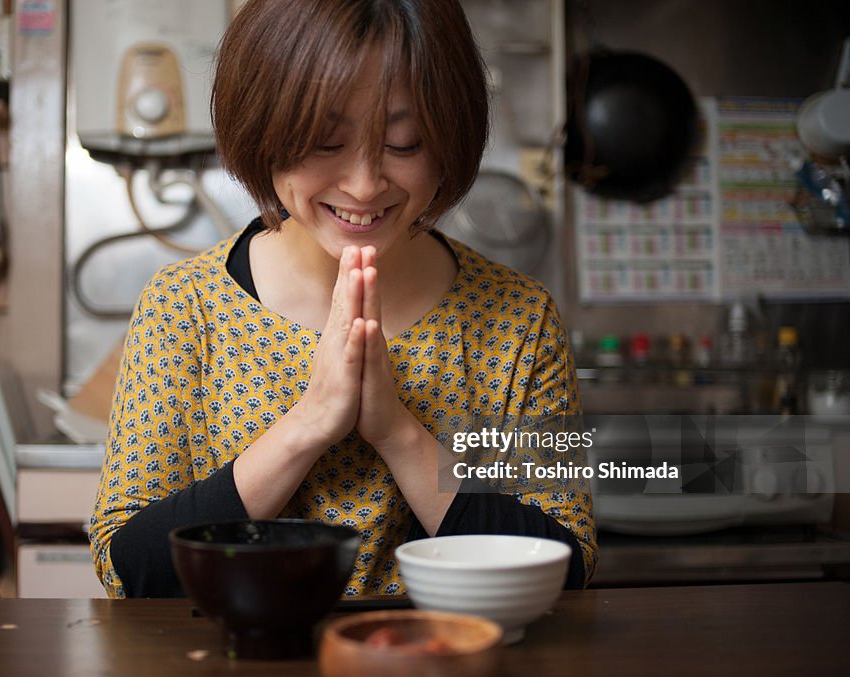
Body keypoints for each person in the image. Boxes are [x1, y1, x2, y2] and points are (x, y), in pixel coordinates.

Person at [90, 0, 596, 599]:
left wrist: (397, 432)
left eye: (404, 144)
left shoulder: (518, 318)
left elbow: (567, 566)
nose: (364, 185)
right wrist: (307, 426)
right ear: (262, 129)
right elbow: (128, 568)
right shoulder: (184, 306)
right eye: (325, 143)